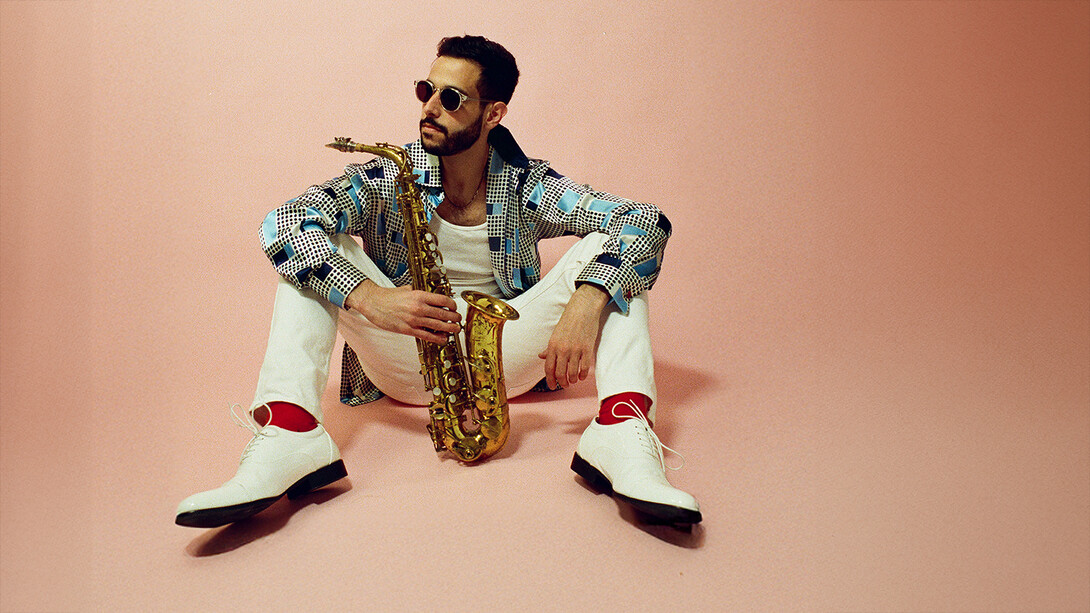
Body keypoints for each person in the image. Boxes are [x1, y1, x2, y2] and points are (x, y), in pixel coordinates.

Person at [176, 35, 701, 529]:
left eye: (451, 98)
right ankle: (290, 432)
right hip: (404, 354)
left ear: (493, 114)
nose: (429, 108)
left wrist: (587, 302)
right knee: (310, 253)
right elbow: (283, 222)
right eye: (426, 90)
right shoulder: (388, 175)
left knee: (613, 252)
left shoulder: (528, 184)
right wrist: (370, 297)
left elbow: (645, 221)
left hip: (505, 360)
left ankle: (621, 431)